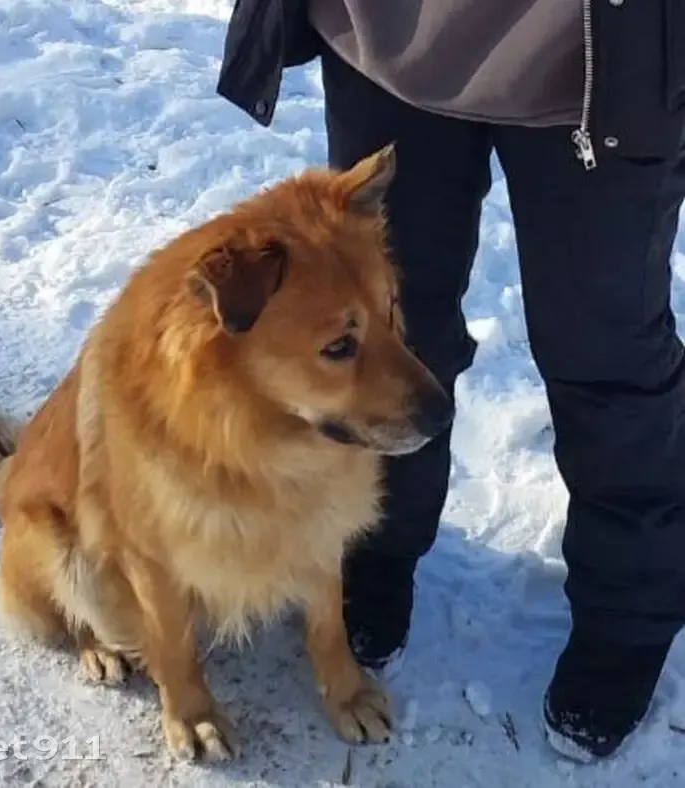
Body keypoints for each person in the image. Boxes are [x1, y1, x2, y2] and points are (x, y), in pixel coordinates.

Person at [215, 0, 685, 764]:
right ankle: (375, 546)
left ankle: (627, 613)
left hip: (603, 59)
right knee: (385, 337)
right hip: (384, 41)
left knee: (605, 357)